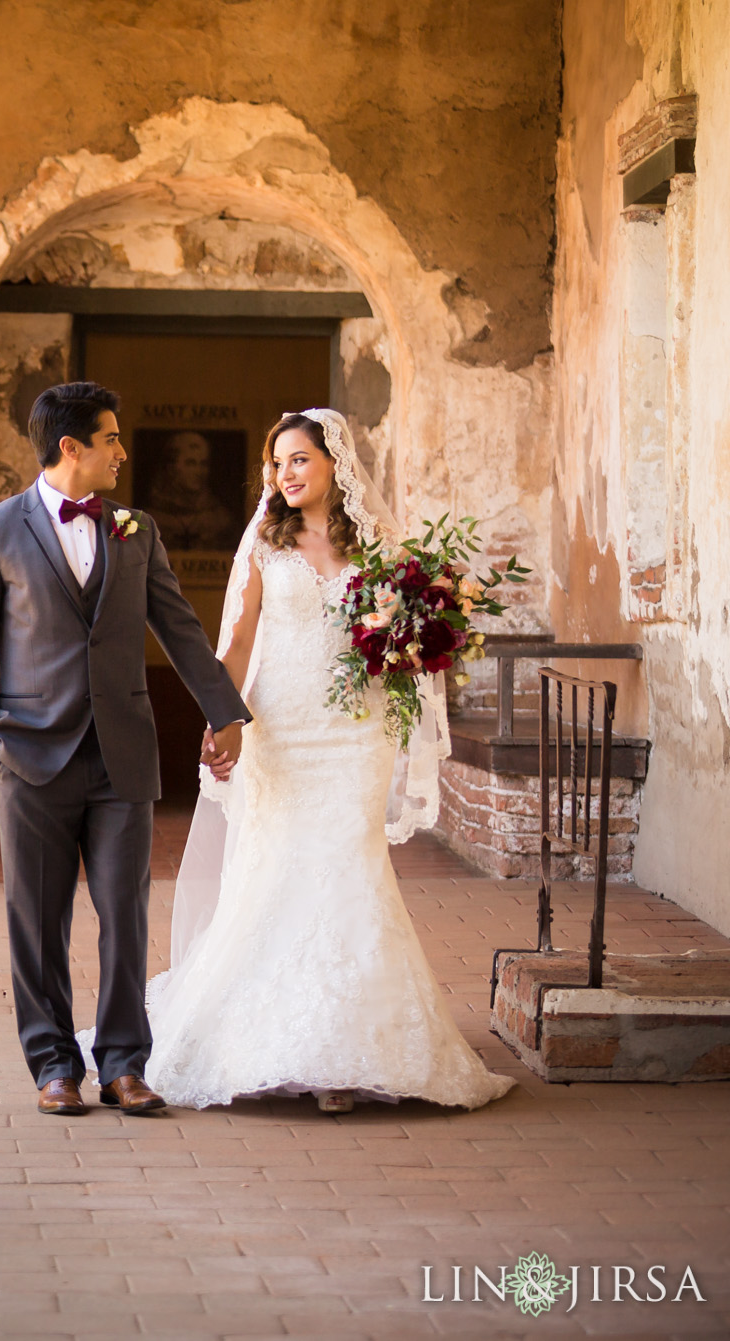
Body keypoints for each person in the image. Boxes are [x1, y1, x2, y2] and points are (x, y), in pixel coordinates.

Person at [143, 410, 515, 1114]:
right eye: (276, 463)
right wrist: (225, 719)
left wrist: (416, 638)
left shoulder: (377, 549)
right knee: (276, 867)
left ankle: (345, 1052)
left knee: (350, 862)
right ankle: (267, 1037)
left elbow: (408, 635)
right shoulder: (262, 541)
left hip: (356, 731)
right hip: (281, 726)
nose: (285, 474)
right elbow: (240, 639)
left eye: (298, 460)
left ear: (333, 466)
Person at [0, 382, 251, 1117]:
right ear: (71, 447)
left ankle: (123, 1063)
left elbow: (179, 627)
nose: (122, 450)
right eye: (111, 438)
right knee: (38, 919)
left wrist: (225, 712)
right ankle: (54, 1064)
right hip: (28, 756)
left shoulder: (136, 529)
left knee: (126, 911)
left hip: (123, 754)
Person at [143, 430, 240, 551]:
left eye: (203, 464)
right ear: (171, 467)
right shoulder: (149, 519)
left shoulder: (222, 520)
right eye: (190, 463)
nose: (199, 472)